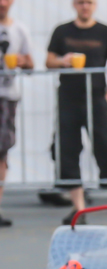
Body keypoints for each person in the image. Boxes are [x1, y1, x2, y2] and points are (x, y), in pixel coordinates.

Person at [46, 0, 107, 227]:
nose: (85, 7)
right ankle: (79, 208)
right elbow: (48, 60)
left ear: (94, 5)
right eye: (81, 3)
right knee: (67, 151)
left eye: (89, 3)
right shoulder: (62, 31)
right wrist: (62, 61)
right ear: (74, 5)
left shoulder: (105, 32)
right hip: (69, 100)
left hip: (96, 100)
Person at [0, 0, 33, 227]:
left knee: (2, 152)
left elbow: (31, 65)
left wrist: (22, 62)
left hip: (7, 98)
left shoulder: (20, 29)